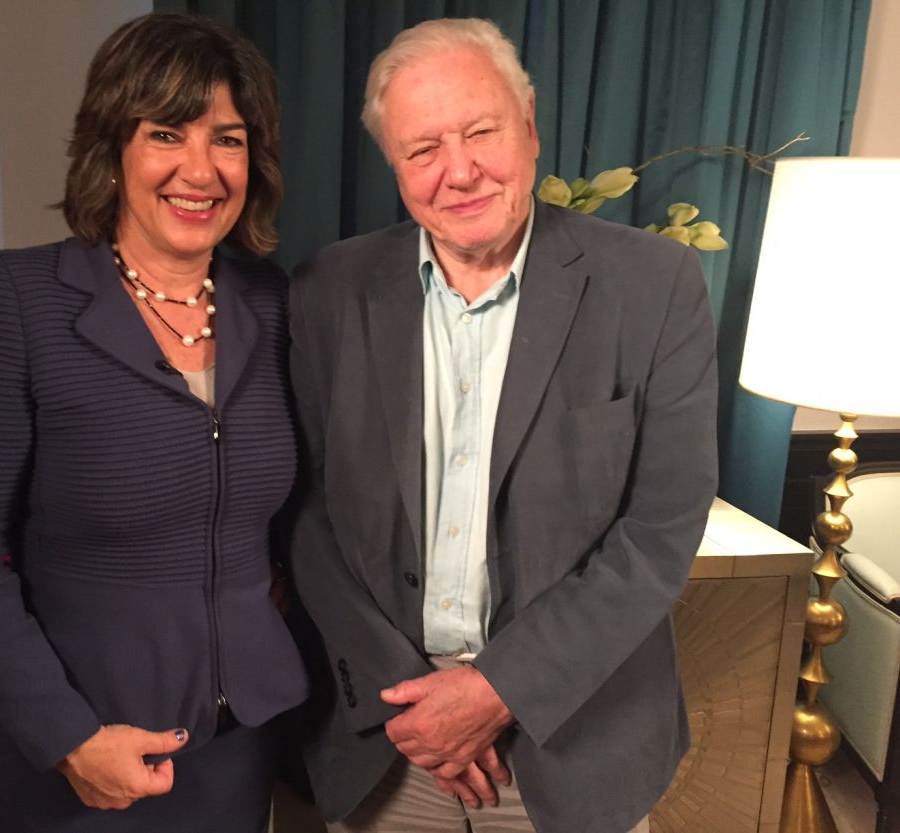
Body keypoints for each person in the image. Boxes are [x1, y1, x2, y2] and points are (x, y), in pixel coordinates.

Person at [287, 17, 717, 833]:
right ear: (395, 166)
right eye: (423, 149)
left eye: (481, 131)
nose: (460, 170)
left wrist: (496, 689)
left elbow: (662, 527)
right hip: (393, 736)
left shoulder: (654, 283)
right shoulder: (327, 291)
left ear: (530, 129)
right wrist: (411, 706)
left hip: (576, 733)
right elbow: (307, 510)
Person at [0, 12, 307, 833]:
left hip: (244, 744)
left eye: (227, 139)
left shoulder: (276, 306)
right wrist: (65, 737)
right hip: (85, 753)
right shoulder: (14, 299)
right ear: (113, 145)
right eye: (167, 132)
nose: (200, 169)